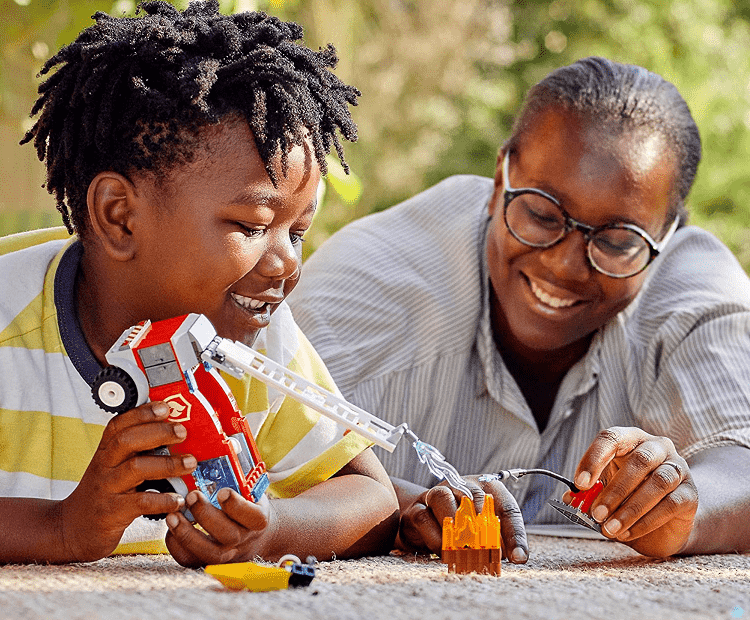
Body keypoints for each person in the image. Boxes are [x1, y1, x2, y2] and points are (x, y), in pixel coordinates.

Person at [288, 57, 750, 561]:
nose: (565, 265)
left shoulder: (697, 294)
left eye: (618, 241)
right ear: (498, 181)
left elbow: (742, 465)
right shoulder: (367, 287)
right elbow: (261, 453)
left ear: (667, 235)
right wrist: (402, 504)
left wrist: (685, 511)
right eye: (540, 213)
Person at [0, 0, 399, 566]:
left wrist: (271, 529)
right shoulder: (5, 317)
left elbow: (373, 498)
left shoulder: (252, 332)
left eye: (299, 231)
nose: (286, 263)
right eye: (252, 226)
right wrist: (60, 527)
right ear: (120, 216)